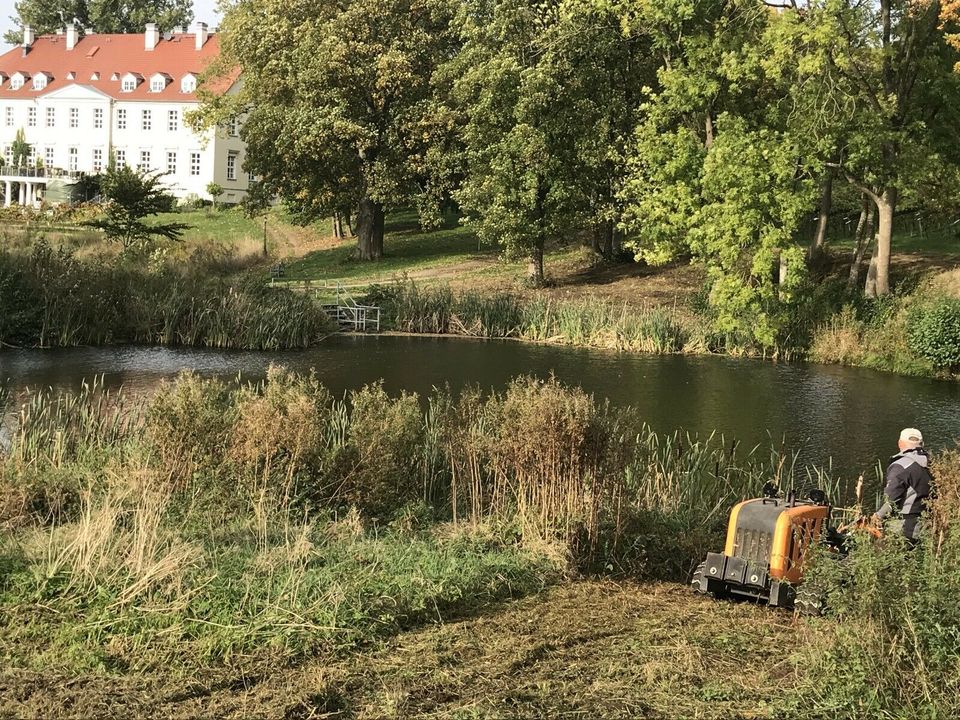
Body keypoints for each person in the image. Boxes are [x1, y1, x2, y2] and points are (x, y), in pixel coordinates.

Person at [874, 428, 933, 541]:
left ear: (900, 443)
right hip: (928, 526)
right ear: (922, 444)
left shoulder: (900, 466)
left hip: (904, 528)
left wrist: (877, 516)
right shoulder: (932, 463)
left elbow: (890, 500)